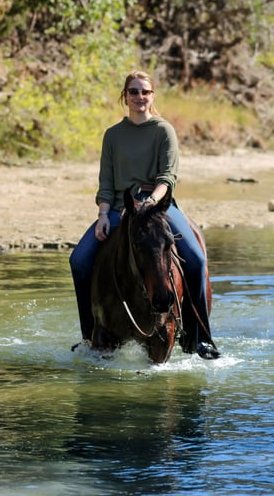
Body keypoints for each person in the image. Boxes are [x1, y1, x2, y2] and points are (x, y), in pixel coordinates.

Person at [69, 70, 221, 359]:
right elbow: (106, 181)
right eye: (134, 91)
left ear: (153, 96)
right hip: (118, 208)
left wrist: (149, 202)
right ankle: (89, 335)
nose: (140, 97)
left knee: (197, 259)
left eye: (146, 92)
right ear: (125, 96)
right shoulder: (112, 135)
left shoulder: (163, 130)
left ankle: (202, 337)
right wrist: (103, 214)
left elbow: (168, 177)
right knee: (78, 260)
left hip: (159, 206)